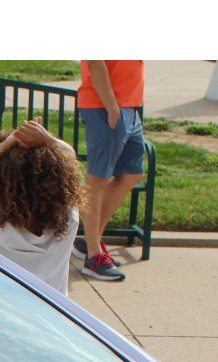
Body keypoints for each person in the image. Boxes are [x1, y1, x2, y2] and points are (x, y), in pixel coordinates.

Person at [0, 118, 84, 296]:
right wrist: (48, 140)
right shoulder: (68, 217)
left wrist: (8, 142)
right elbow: (69, 155)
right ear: (58, 181)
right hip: (50, 316)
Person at [75, 60, 146, 282]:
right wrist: (111, 106)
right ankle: (94, 257)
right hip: (105, 106)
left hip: (128, 105)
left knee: (133, 172)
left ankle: (89, 240)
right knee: (98, 179)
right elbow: (96, 62)